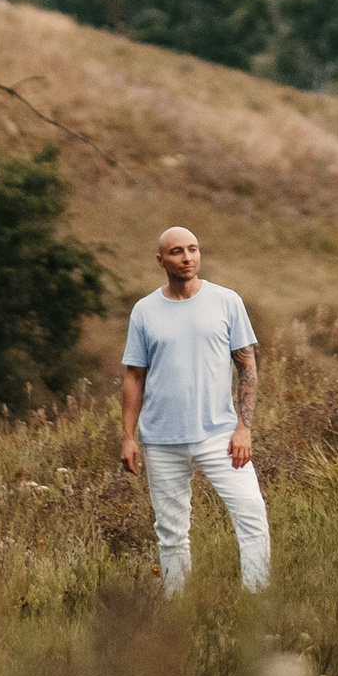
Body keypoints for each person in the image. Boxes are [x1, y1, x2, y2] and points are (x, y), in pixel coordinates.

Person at [119, 225, 269, 594]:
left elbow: (247, 366)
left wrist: (243, 428)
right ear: (161, 260)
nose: (187, 258)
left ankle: (256, 600)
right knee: (170, 533)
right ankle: (178, 608)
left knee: (252, 517)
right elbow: (134, 376)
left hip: (220, 435)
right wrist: (127, 437)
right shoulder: (145, 311)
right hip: (162, 439)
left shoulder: (226, 301)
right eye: (176, 252)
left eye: (193, 249)